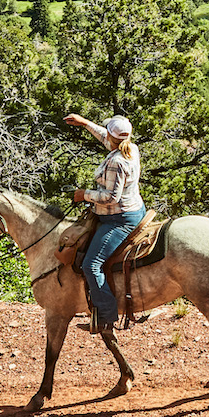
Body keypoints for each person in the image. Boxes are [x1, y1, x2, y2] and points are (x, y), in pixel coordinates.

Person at [65, 112, 144, 333]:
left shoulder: (117, 162)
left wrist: (84, 195)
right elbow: (105, 136)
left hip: (119, 218)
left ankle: (107, 317)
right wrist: (84, 123)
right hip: (133, 208)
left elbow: (111, 197)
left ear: (113, 137)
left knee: (92, 264)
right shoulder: (130, 148)